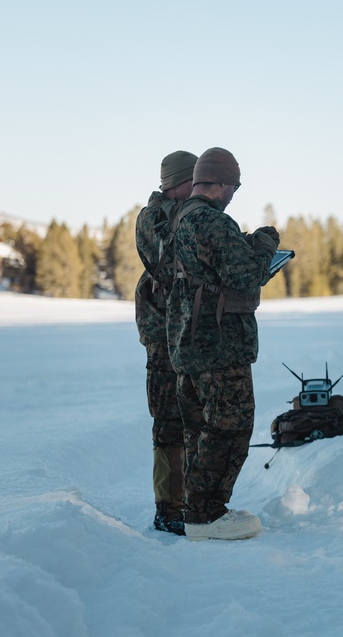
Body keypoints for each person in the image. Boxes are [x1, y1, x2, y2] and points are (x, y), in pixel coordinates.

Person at [166, 147, 279, 541]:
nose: (233, 195)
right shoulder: (214, 222)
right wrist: (264, 246)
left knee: (199, 429)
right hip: (220, 348)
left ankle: (196, 508)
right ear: (221, 184)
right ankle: (207, 514)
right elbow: (247, 275)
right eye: (233, 187)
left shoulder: (181, 218)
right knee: (230, 428)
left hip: (189, 343)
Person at [135, 150, 198, 536]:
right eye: (198, 180)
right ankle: (169, 507)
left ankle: (190, 502)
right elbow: (168, 262)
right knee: (168, 421)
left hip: (185, 333)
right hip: (163, 334)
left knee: (191, 418)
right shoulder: (154, 216)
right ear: (180, 182)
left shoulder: (183, 214)